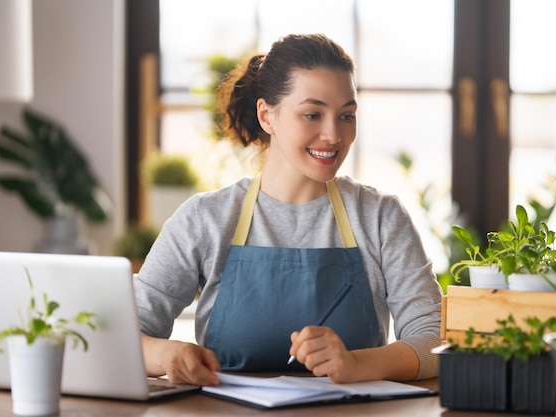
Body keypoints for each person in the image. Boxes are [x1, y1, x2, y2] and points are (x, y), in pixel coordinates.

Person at [134, 33, 442, 387]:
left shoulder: (380, 217)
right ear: (267, 116)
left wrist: (357, 363)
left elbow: (433, 341)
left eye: (346, 116)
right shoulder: (206, 219)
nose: (333, 135)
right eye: (312, 114)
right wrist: (166, 354)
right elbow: (126, 333)